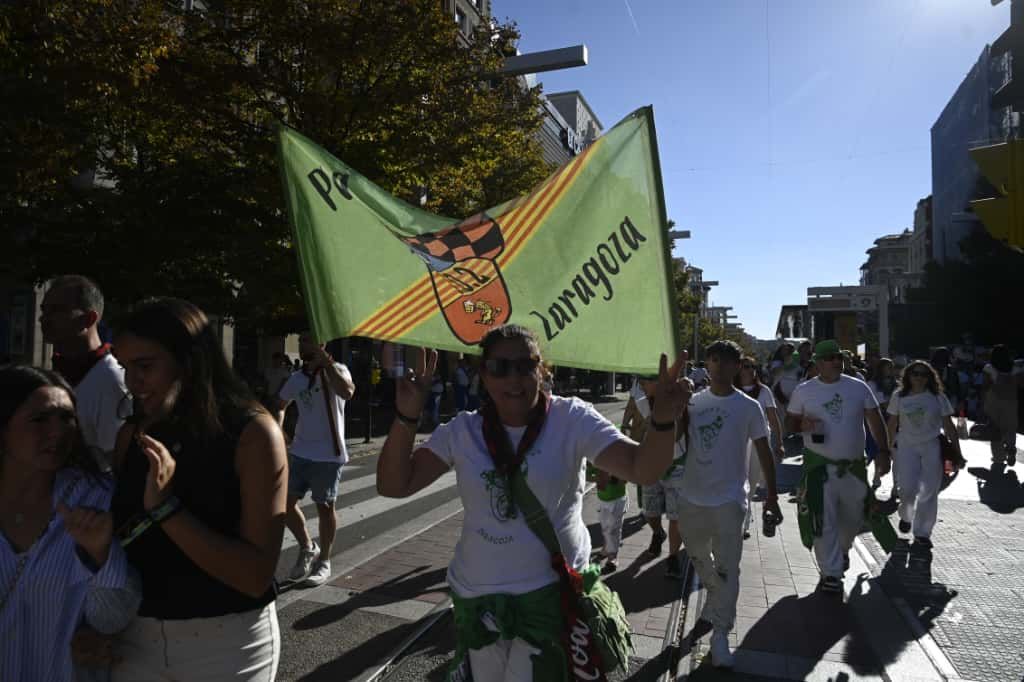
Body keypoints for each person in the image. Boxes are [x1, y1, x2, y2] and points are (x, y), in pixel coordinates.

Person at [376, 324, 689, 679]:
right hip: (477, 600)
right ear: (483, 374)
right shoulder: (463, 431)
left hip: (550, 598)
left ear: (542, 369)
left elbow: (642, 468)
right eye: (500, 367)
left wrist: (662, 420)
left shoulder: (572, 419)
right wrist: (406, 415)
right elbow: (394, 485)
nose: (514, 378)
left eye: (526, 365)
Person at [109, 298, 286, 680]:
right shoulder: (131, 435)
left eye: (144, 366)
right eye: (125, 367)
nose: (131, 382)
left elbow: (255, 575)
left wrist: (167, 510)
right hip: (134, 639)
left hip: (228, 644)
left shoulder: (253, 433)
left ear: (189, 361)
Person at [0, 365, 131, 681]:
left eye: (67, 418)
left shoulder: (97, 500)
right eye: (40, 419)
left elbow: (112, 619)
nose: (57, 431)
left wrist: (100, 556)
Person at [677, 341, 782, 668]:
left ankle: (720, 635)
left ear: (738, 366)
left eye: (726, 361)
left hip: (730, 498)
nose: (719, 366)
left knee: (728, 566)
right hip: (692, 496)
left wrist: (773, 497)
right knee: (697, 554)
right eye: (713, 360)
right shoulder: (692, 403)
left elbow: (764, 451)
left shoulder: (749, 406)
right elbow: (674, 437)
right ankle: (715, 593)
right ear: (706, 364)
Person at [786, 340, 892, 595]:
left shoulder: (857, 387)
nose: (836, 361)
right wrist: (802, 426)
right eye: (830, 358)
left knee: (853, 520)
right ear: (818, 363)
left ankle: (842, 551)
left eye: (839, 357)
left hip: (854, 467)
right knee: (823, 521)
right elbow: (790, 423)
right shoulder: (804, 390)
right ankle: (831, 574)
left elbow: (874, 420)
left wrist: (884, 452)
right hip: (819, 467)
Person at [275, 331, 356, 587]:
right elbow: (279, 404)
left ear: (321, 344)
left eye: (306, 341)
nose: (301, 345)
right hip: (300, 452)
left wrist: (326, 362)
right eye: (300, 341)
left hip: (329, 456)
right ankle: (308, 547)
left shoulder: (338, 370)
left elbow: (347, 392)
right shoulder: (297, 378)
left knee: (325, 507)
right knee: (284, 504)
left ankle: (325, 562)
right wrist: (279, 431)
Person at [40, 275, 130, 463]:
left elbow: (113, 464)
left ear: (88, 319)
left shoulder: (110, 380)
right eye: (44, 310)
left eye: (56, 310)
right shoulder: (55, 373)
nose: (43, 318)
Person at [885, 361, 961, 549]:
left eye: (923, 374)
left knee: (929, 490)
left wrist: (957, 451)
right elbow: (892, 423)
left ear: (930, 377)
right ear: (908, 376)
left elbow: (948, 425)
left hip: (931, 446)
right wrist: (886, 448)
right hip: (906, 447)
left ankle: (922, 532)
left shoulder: (937, 397)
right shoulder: (899, 396)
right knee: (908, 489)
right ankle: (906, 516)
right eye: (915, 374)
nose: (919, 377)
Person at [735, 355, 786, 538]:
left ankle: (745, 523)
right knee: (739, 481)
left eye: (752, 366)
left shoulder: (764, 391)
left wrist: (779, 443)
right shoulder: (731, 390)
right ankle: (741, 519)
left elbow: (773, 418)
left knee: (752, 480)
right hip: (736, 442)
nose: (749, 370)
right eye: (745, 366)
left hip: (759, 442)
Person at [982, 344, 1023, 465]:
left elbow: (985, 386)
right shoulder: (1015, 368)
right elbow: (1021, 384)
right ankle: (1010, 448)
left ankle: (998, 457)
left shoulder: (989, 368)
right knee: (1010, 428)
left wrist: (982, 401)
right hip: (1011, 401)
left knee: (995, 429)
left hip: (993, 401)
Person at [866, 358, 896, 488]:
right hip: (877, 418)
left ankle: (892, 483)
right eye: (887, 367)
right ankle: (874, 476)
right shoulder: (872, 384)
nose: (890, 370)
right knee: (875, 449)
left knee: (893, 451)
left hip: (893, 419)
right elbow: (879, 403)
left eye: (891, 367)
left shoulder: (897, 385)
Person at [594, 468, 628, 574]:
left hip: (617, 499)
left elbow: (625, 479)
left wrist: (611, 478)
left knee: (613, 529)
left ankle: (612, 557)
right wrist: (598, 478)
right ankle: (606, 549)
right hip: (602, 499)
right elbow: (587, 474)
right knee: (605, 527)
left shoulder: (617, 455)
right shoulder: (595, 459)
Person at [931, 347, 963, 414]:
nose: (943, 358)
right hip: (934, 398)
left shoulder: (952, 370)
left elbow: (957, 386)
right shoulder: (931, 369)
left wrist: (960, 400)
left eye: (945, 356)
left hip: (949, 398)